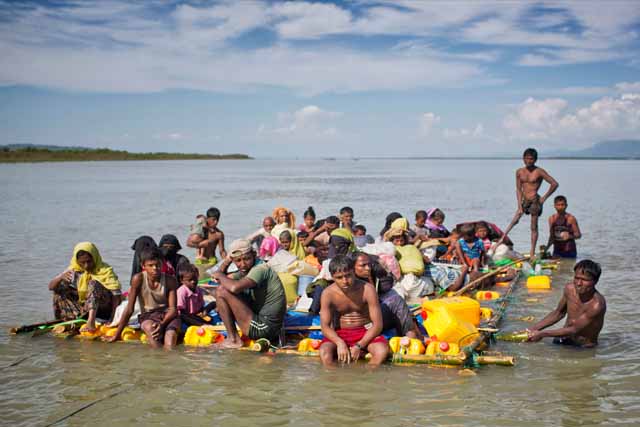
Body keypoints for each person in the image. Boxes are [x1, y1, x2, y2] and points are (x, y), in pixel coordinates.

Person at [211, 239, 287, 348]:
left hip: (264, 328)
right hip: (267, 325)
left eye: (247, 259)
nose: (243, 264)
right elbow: (219, 278)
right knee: (224, 286)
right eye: (238, 261)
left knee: (221, 290)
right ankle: (233, 338)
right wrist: (227, 261)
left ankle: (233, 339)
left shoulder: (260, 269)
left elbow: (233, 287)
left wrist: (219, 274)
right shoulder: (246, 270)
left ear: (254, 255)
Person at [319, 255, 389, 367]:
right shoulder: (328, 294)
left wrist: (359, 345)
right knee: (324, 352)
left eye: (348, 276)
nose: (345, 281)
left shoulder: (367, 289)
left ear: (354, 271)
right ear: (332, 277)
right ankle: (334, 381)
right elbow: (325, 327)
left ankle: (366, 378)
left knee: (381, 351)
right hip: (340, 333)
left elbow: (377, 325)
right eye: (339, 277)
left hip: (365, 332)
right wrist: (339, 342)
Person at [105, 248, 180, 349]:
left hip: (168, 316)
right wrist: (117, 334)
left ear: (162, 264)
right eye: (150, 265)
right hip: (148, 316)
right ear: (143, 266)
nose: (155, 268)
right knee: (152, 333)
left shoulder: (170, 280)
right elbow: (129, 309)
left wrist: (162, 325)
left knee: (170, 341)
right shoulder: (138, 279)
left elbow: (173, 309)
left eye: (158, 265)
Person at [497, 148, 559, 260]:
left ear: (535, 159)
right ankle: (501, 239)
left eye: (531, 159)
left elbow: (554, 184)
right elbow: (518, 189)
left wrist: (544, 198)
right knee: (515, 219)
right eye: (527, 158)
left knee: (534, 227)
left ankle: (532, 252)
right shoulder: (519, 172)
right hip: (524, 200)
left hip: (535, 200)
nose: (529, 161)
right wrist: (519, 205)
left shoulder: (539, 171)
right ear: (523, 159)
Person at [527, 260, 606, 347]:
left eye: (584, 280)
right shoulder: (569, 289)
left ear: (595, 281)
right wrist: (532, 329)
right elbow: (558, 313)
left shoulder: (597, 305)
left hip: (583, 347)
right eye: (576, 278)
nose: (579, 283)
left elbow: (574, 329)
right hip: (564, 338)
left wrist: (542, 334)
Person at [49, 242, 122, 332]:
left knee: (93, 284)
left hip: (104, 308)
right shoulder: (73, 270)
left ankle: (90, 322)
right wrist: (60, 278)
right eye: (82, 262)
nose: (86, 265)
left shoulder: (105, 270)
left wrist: (113, 318)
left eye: (89, 261)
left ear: (95, 258)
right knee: (59, 288)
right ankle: (66, 319)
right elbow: (51, 287)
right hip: (84, 309)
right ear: (77, 261)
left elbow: (116, 296)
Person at [353, 252, 422, 339]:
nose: (368, 268)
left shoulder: (370, 276)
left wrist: (371, 278)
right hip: (366, 323)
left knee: (397, 301)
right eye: (363, 265)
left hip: (376, 316)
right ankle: (412, 337)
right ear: (352, 267)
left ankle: (412, 336)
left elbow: (387, 283)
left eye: (369, 264)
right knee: (397, 302)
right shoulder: (353, 284)